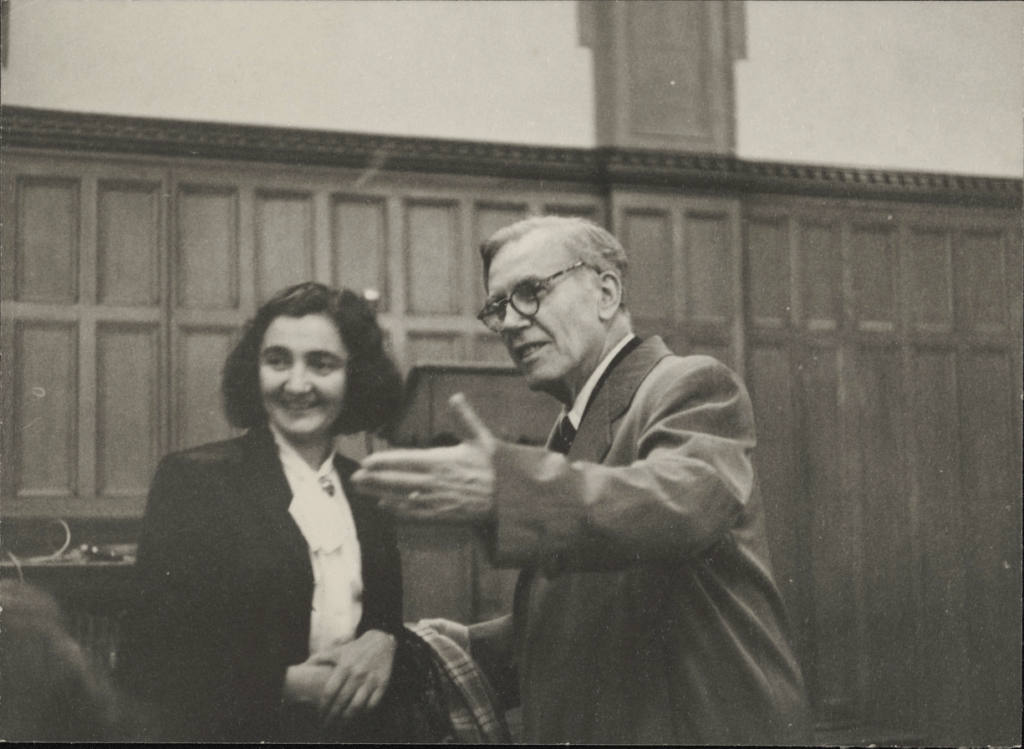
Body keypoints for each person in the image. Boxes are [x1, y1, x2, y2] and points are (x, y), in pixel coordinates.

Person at [353, 216, 812, 744]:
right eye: (498, 306)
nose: (510, 322)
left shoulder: (689, 384)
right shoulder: (571, 428)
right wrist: (458, 649)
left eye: (530, 292)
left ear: (606, 293)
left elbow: (681, 508)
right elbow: (595, 615)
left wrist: (508, 492)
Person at [116, 282, 438, 742]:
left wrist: (385, 642)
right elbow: (144, 662)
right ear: (255, 370)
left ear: (355, 376)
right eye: (278, 361)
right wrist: (286, 685)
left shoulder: (367, 489)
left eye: (321, 364)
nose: (297, 384)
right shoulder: (194, 480)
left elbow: (383, 635)